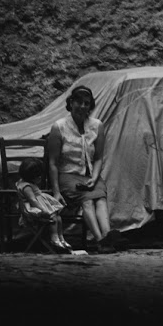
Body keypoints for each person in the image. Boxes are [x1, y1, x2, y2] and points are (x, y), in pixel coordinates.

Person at [48, 85, 123, 254]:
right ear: (71, 103)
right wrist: (56, 192)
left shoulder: (97, 126)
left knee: (100, 198)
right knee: (87, 200)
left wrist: (94, 178)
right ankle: (100, 240)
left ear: (90, 106)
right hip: (67, 176)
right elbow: (52, 163)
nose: (82, 106)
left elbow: (98, 158)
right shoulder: (59, 127)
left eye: (87, 103)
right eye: (79, 102)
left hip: (90, 176)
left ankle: (107, 236)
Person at [16, 158, 71, 253]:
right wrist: (43, 209)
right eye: (38, 176)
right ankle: (54, 238)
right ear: (32, 176)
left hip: (40, 204)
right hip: (34, 208)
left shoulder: (29, 183)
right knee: (53, 217)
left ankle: (61, 238)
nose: (41, 178)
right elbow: (33, 200)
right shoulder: (26, 186)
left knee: (58, 217)